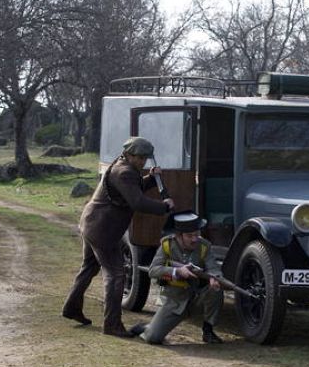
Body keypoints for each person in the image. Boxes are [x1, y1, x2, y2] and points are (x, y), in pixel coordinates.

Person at [62, 137, 174, 338]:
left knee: (89, 267)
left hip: (92, 223)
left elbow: (131, 189)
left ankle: (71, 307)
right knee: (116, 274)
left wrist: (150, 178)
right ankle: (112, 325)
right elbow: (137, 202)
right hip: (102, 230)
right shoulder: (124, 172)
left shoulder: (124, 167)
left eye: (145, 158)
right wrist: (164, 206)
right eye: (139, 158)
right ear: (129, 155)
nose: (143, 162)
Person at [130, 211, 224, 345]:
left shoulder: (204, 246)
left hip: (197, 297)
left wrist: (215, 278)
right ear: (179, 236)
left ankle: (208, 330)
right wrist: (177, 271)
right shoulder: (167, 245)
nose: (194, 239)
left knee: (215, 290)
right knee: (153, 337)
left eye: (197, 234)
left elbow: (213, 267)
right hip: (174, 300)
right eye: (190, 236)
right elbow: (153, 270)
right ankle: (146, 327)